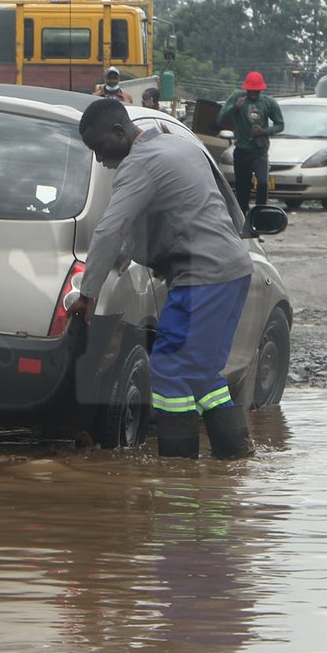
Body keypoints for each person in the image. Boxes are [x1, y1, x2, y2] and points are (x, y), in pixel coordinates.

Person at [67, 97, 255, 459]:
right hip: (232, 270)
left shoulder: (140, 164)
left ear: (120, 132)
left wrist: (87, 295)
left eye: (100, 146)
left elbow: (108, 230)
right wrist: (129, 253)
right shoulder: (177, 144)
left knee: (169, 367)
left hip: (202, 278)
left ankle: (177, 475)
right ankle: (233, 465)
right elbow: (211, 204)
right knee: (202, 372)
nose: (99, 158)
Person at [217, 70, 284, 210]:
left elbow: (280, 125)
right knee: (242, 189)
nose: (253, 94)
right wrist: (234, 107)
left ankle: (260, 215)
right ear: (246, 89)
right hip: (242, 151)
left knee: (263, 184)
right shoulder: (237, 97)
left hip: (260, 151)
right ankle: (243, 218)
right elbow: (220, 118)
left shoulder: (268, 102)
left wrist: (264, 131)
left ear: (261, 90)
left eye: (256, 91)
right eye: (250, 91)